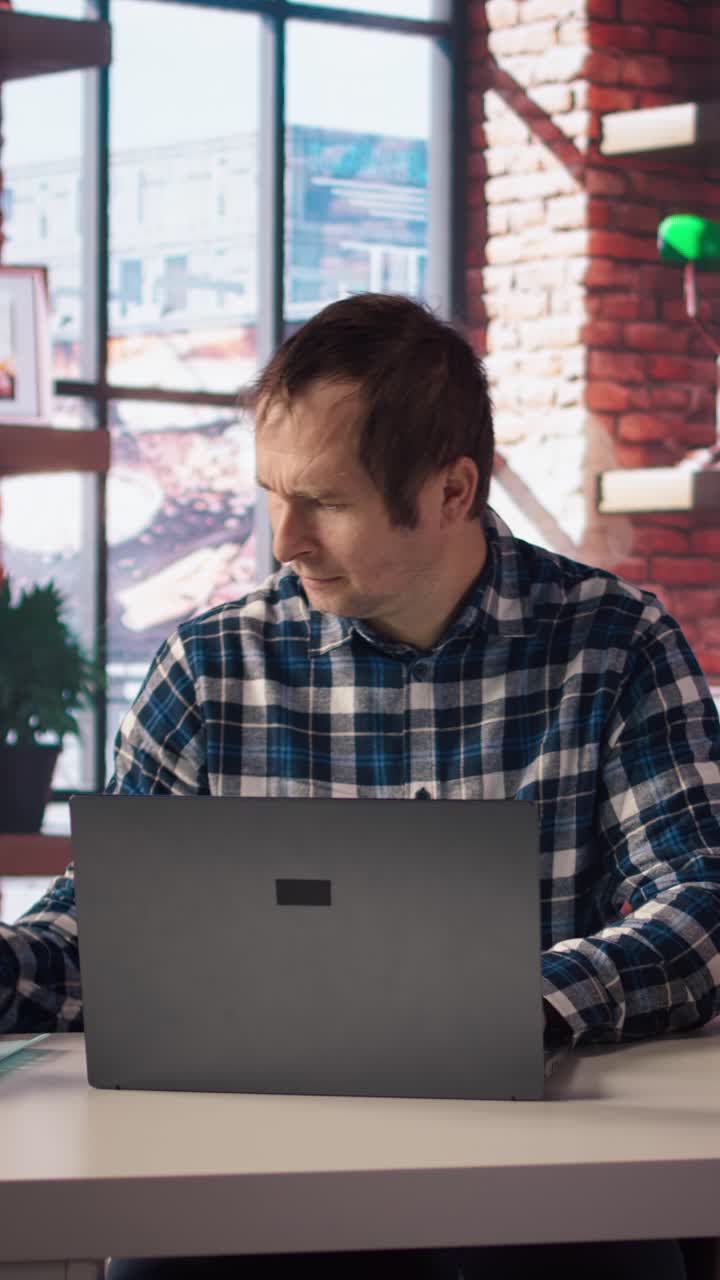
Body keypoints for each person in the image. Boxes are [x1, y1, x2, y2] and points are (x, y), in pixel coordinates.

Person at [2, 293, 719, 1279]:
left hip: (543, 1172)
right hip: (244, 1174)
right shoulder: (209, 668)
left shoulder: (617, 643)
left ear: (453, 491)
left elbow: (704, 904)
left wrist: (518, 1005)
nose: (284, 538)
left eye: (326, 502)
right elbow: (102, 931)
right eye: (272, 492)